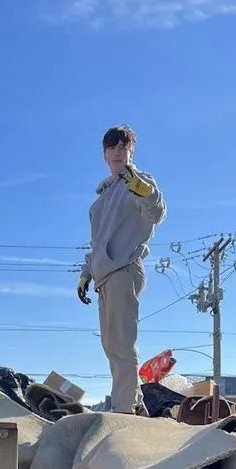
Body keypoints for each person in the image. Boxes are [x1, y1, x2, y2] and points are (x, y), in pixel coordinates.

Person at [77, 125, 166, 414]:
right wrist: (86, 272)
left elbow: (157, 212)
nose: (117, 152)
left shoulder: (139, 183)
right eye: (112, 147)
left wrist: (143, 191)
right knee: (111, 345)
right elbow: (97, 242)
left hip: (124, 268)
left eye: (123, 147)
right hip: (104, 276)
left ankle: (124, 411)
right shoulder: (101, 198)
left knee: (121, 344)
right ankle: (134, 405)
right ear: (104, 154)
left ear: (131, 151)